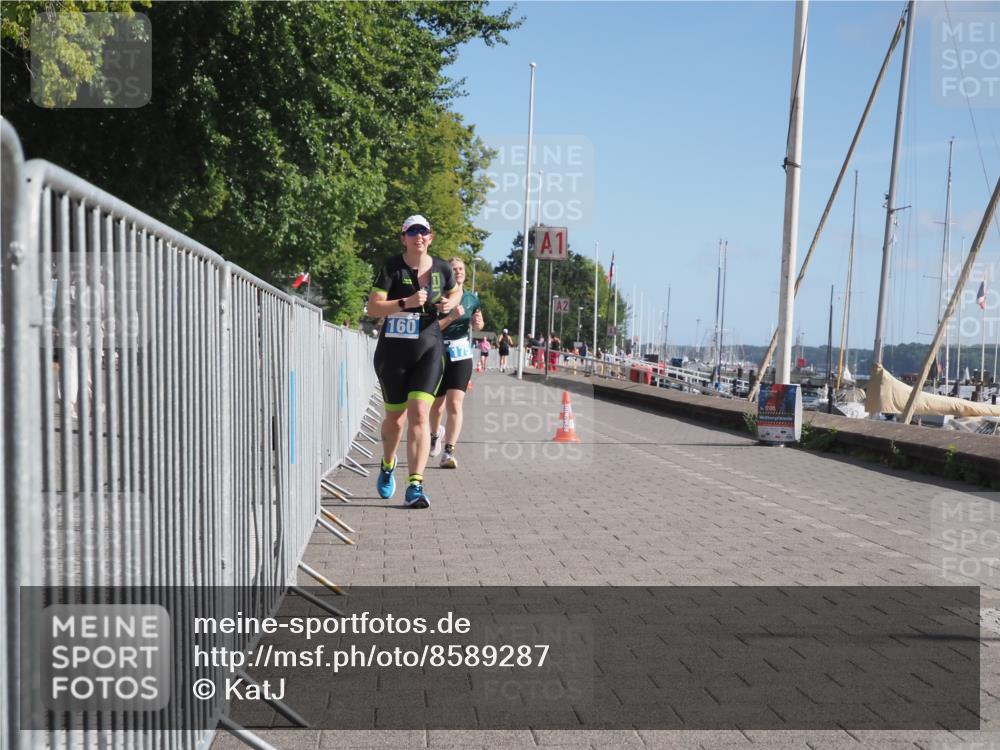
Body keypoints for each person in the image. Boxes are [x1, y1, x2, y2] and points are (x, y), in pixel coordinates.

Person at [367, 215, 461, 509]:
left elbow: (455, 289)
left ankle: (415, 485)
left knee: (420, 412)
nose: (418, 236)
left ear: (430, 238)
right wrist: (404, 303)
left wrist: (452, 302)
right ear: (403, 238)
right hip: (393, 352)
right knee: (395, 420)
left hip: (428, 349)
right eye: (412, 232)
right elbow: (373, 308)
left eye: (424, 232)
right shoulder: (391, 266)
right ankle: (387, 462)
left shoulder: (442, 268)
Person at [429, 257, 484, 469]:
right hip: (438, 351)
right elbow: (431, 329)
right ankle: (435, 435)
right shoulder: (439, 298)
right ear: (447, 273)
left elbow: (478, 322)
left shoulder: (471, 298)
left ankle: (449, 451)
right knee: (437, 404)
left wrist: (478, 324)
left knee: (454, 403)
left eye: (461, 268)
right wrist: (451, 316)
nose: (458, 271)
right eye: (454, 269)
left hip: (461, 354)